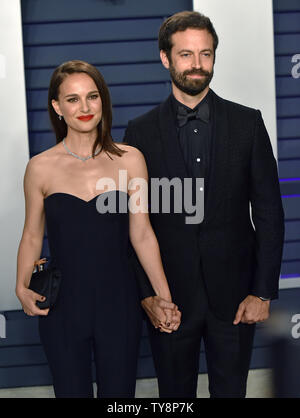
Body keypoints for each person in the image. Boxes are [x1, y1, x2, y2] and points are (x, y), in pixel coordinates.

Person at [123, 11, 285, 398]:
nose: (197, 65)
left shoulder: (248, 123)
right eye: (186, 55)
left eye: (206, 54)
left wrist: (262, 292)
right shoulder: (140, 132)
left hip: (236, 298)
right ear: (166, 58)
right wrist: (148, 294)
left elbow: (268, 213)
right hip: (169, 300)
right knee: (174, 396)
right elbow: (133, 223)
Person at [15, 60, 180, 398]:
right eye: (73, 99)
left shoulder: (130, 159)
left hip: (118, 303)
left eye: (92, 97)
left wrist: (164, 297)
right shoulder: (40, 168)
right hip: (62, 306)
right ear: (57, 107)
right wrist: (20, 286)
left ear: (103, 101)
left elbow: (143, 234)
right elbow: (32, 233)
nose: (85, 107)